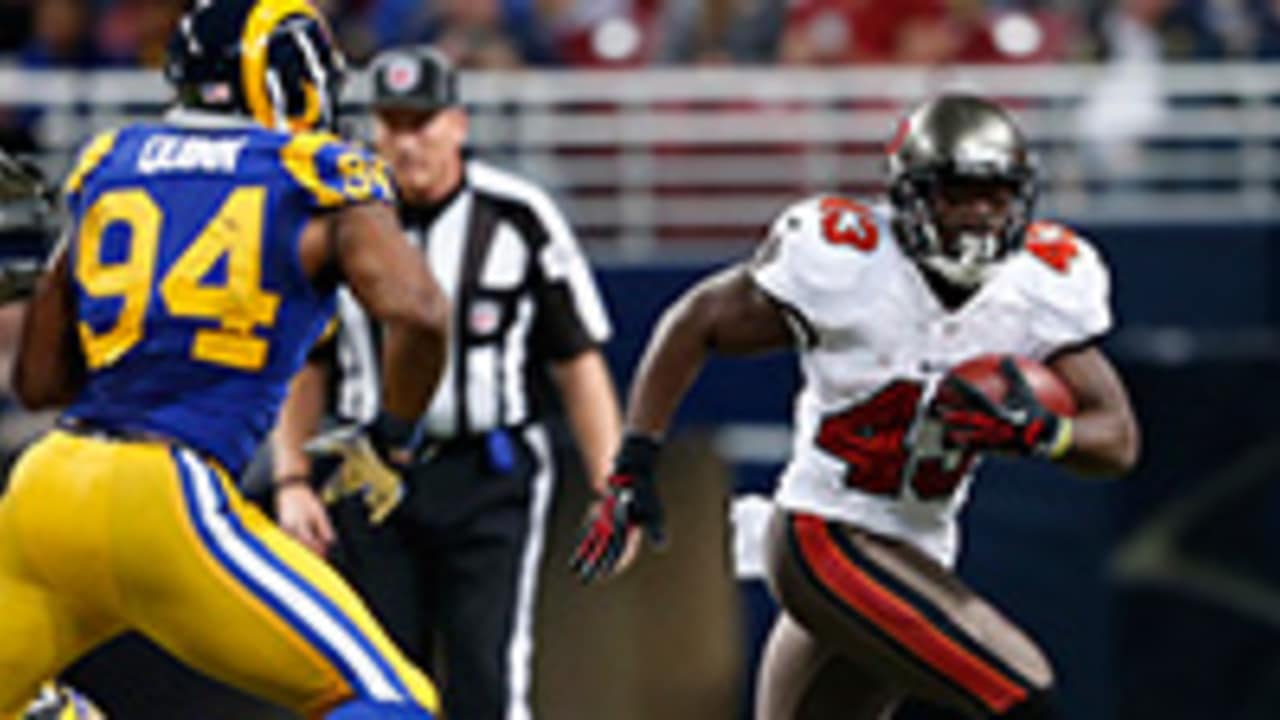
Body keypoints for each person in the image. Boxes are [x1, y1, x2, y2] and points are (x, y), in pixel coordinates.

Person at [572, 94, 1141, 719]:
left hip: (919, 546)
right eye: (957, 193)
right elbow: (696, 320)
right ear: (911, 196)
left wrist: (1042, 432)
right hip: (826, 534)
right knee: (1023, 692)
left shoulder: (1040, 285)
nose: (981, 214)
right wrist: (634, 459)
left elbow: (1116, 439)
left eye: (997, 195)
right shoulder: (848, 263)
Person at [0, 1, 451, 717]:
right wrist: (392, 435)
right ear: (291, 82)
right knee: (387, 699)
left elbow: (38, 383)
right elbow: (420, 313)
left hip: (47, 489)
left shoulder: (107, 162)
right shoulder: (317, 172)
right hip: (165, 496)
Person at [270, 45, 620, 719]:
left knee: (486, 672)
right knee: (378, 672)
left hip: (488, 469)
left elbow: (576, 358)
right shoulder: (340, 221)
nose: (408, 141)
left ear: (457, 123)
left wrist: (613, 484)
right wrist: (290, 480)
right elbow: (304, 363)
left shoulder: (518, 216)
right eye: (393, 123)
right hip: (367, 471)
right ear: (372, 128)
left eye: (423, 122)